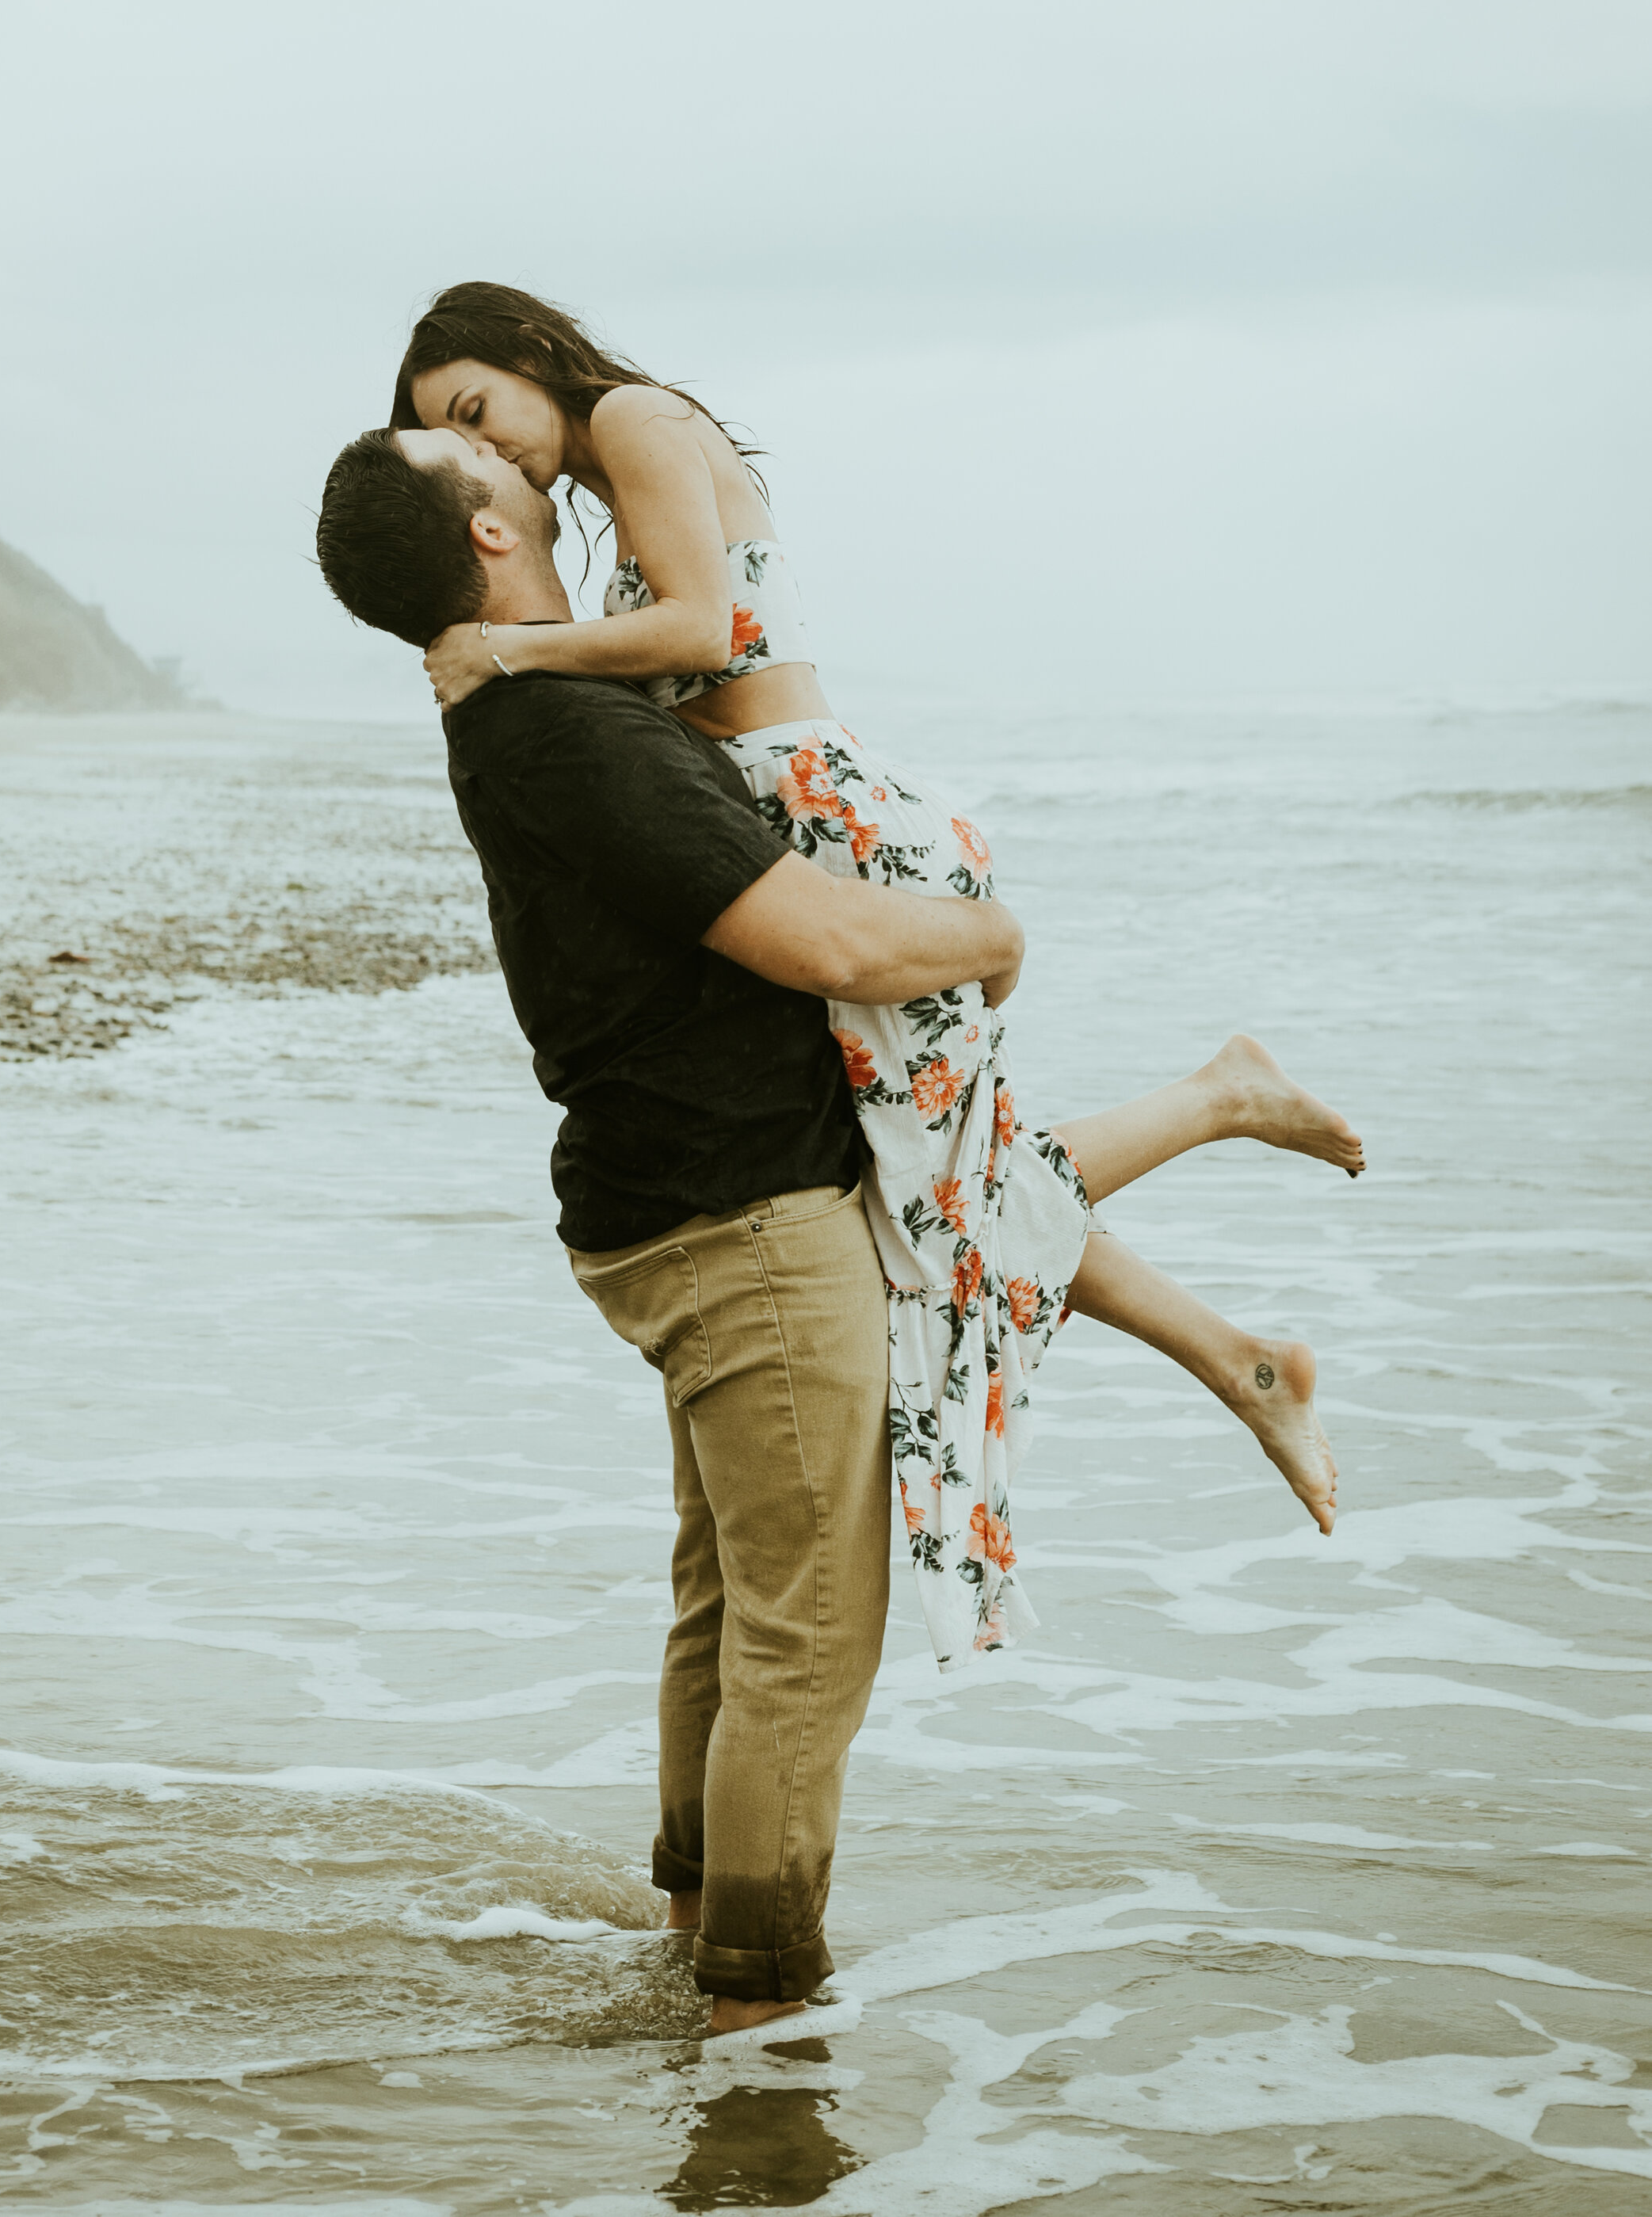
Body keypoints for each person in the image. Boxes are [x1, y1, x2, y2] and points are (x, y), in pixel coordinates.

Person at [313, 408, 1352, 2032]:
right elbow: (830, 947)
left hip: (682, 1199)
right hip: (737, 1224)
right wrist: (986, 932)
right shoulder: (565, 736)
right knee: (802, 1646)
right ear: (484, 535)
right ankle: (751, 2026)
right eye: (487, 463)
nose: (526, 462)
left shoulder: (544, 706)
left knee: (728, 1612)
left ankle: (687, 1955)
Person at [387, 281, 1363, 1681]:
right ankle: (1239, 1330)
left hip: (834, 824)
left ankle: (1225, 1128)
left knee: (944, 1189)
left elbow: (707, 634)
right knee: (939, 1186)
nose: (497, 451)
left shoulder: (640, 416)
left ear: (533, 354)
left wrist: (512, 647)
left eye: (479, 412)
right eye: (452, 440)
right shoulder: (611, 470)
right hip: (795, 827)